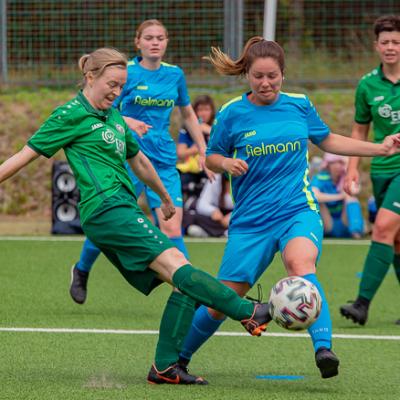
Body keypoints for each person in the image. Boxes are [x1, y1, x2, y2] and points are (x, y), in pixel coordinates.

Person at [0, 47, 272, 385]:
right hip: (106, 210)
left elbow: (139, 162)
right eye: (111, 84)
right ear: (90, 77)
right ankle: (249, 312)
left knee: (182, 284)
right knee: (179, 266)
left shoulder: (113, 116)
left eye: (121, 87)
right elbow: (23, 155)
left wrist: (163, 197)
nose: (117, 92)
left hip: (123, 208)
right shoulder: (68, 114)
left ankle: (165, 367)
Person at [175, 37, 400, 380]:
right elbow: (211, 157)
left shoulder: (299, 104)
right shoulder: (233, 112)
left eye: (273, 76)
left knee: (301, 265)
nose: (266, 83)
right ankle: (179, 359)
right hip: (251, 221)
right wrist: (227, 163)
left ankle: (323, 349)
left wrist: (379, 149)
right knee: (223, 299)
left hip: (297, 210)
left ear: (283, 74)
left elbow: (328, 139)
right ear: (246, 75)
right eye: (258, 76)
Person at [70, 19, 211, 305]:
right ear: (138, 43)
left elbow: (186, 113)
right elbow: (104, 110)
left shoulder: (175, 75)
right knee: (111, 220)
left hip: (162, 158)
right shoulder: (126, 73)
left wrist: (203, 148)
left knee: (172, 226)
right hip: (125, 156)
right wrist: (128, 121)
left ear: (167, 42)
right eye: (149, 38)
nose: (155, 42)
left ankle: (185, 287)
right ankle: (82, 270)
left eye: (160, 37)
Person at [340, 15, 400, 326]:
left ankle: (362, 304)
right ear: (376, 45)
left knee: (382, 227)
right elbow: (360, 131)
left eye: (396, 42)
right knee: (397, 239)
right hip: (381, 168)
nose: (391, 47)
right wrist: (352, 169)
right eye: (386, 42)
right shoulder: (367, 84)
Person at [311, 153, 364, 239]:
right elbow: (314, 196)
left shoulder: (346, 177)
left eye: (341, 163)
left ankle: (356, 232)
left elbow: (355, 190)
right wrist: (340, 196)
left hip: (344, 221)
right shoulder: (320, 178)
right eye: (335, 163)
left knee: (351, 198)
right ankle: (314, 232)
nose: (338, 166)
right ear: (328, 165)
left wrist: (348, 166)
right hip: (328, 223)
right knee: (318, 202)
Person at [177, 95, 216, 198]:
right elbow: (180, 153)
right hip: (192, 168)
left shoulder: (216, 127)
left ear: (212, 111)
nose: (203, 113)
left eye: (206, 109)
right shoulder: (186, 129)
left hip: (210, 167)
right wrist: (195, 149)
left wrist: (208, 130)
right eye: (200, 110)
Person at [184, 173, 233, 238]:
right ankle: (219, 233)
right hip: (217, 218)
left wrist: (232, 216)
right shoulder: (215, 177)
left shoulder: (246, 179)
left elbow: (247, 206)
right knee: (191, 215)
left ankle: (221, 232)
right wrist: (213, 211)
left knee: (244, 221)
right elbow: (201, 204)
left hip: (236, 217)